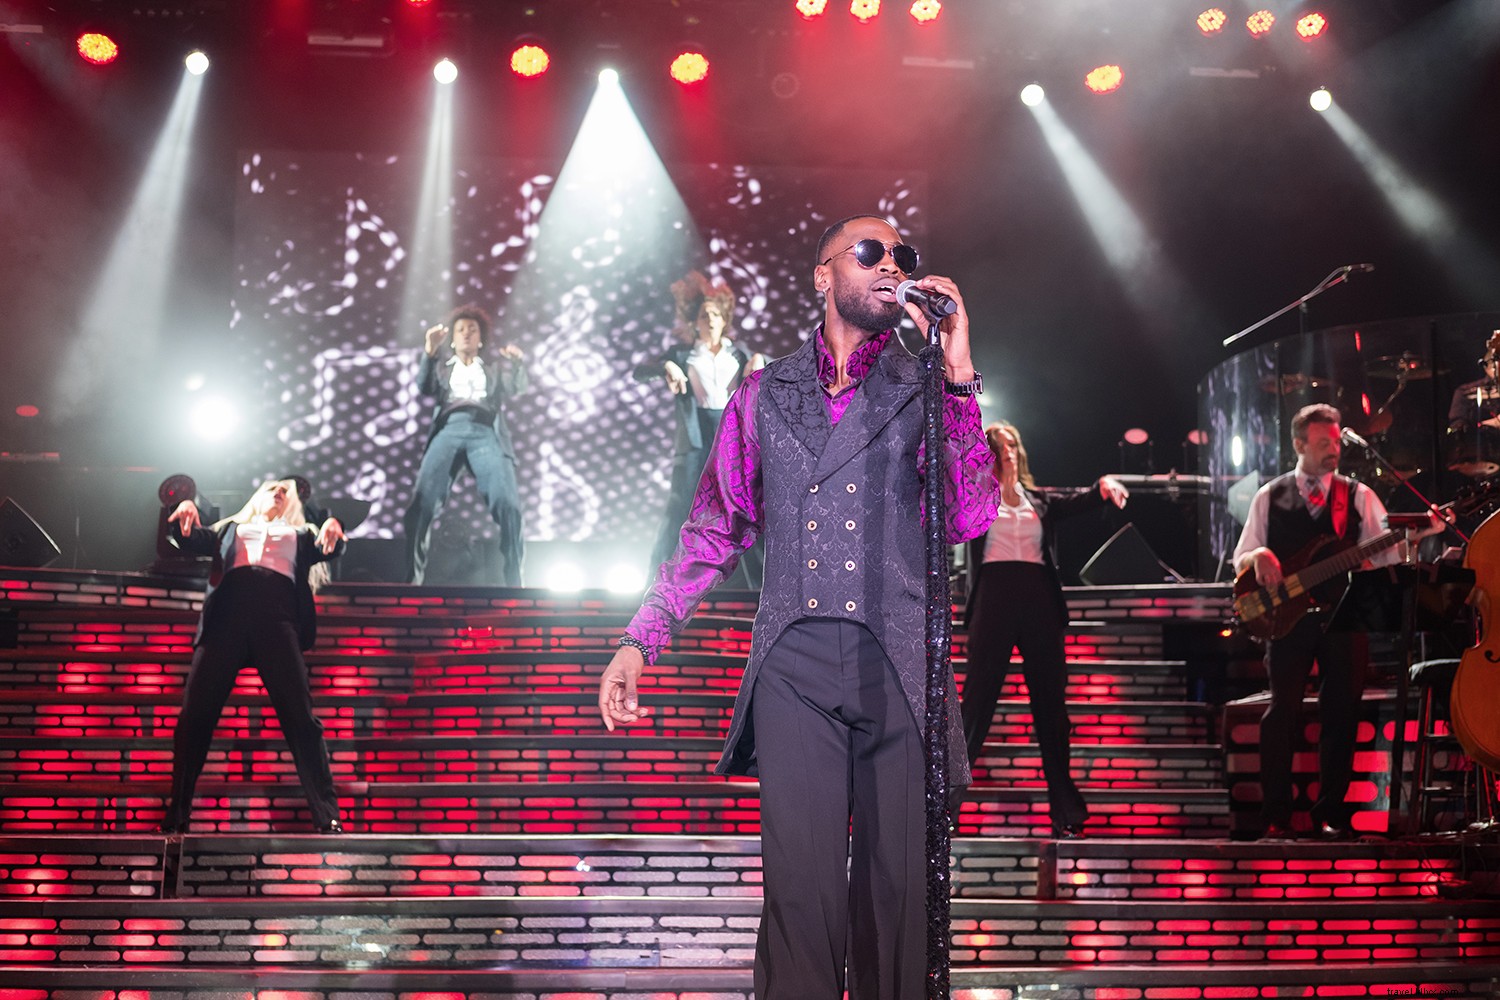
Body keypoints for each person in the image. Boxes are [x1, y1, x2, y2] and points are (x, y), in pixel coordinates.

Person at [598, 213, 998, 999]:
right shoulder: (762, 392)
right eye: (871, 253)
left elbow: (968, 517)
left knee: (899, 899)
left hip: (900, 665)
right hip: (795, 666)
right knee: (800, 895)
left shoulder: (923, 387)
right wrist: (642, 638)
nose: (892, 267)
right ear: (823, 276)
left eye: (904, 257)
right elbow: (714, 525)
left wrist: (956, 373)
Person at [1233, 403, 1433, 841]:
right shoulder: (1271, 494)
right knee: (1280, 712)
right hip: (1287, 618)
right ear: (1300, 444)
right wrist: (1260, 556)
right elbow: (1241, 555)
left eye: (1337, 441)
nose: (1334, 449)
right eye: (1324, 442)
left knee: (1341, 714)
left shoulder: (1357, 494)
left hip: (1347, 616)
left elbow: (1384, 550)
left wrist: (1414, 536)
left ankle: (1333, 815)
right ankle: (1275, 815)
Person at [958, 421, 1128, 838]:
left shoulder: (1040, 501)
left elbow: (1084, 498)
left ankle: (1065, 811)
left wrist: (1105, 482)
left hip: (1038, 601)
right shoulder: (975, 498)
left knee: (1052, 710)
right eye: (998, 447)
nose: (1007, 453)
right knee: (976, 706)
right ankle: (944, 807)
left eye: (1012, 445)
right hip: (994, 600)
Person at [159, 479, 347, 834]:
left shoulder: (302, 533)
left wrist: (334, 525)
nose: (280, 492)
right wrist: (182, 510)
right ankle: (177, 815)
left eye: (286, 491)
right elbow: (188, 539)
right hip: (227, 617)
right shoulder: (231, 528)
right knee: (194, 716)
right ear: (257, 496)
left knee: (301, 720)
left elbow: (330, 548)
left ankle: (328, 815)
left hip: (277, 619)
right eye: (274, 486)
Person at [633, 270, 766, 585]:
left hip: (733, 436)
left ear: (724, 320)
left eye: (715, 314)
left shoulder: (741, 353)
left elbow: (776, 370)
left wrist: (761, 359)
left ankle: (761, 589)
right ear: (694, 321)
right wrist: (666, 365)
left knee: (745, 511)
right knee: (680, 508)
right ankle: (655, 583)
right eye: (704, 315)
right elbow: (640, 371)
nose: (710, 319)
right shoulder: (682, 354)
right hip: (696, 436)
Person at [403, 304, 528, 586]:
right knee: (421, 505)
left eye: (472, 330)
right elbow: (424, 386)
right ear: (453, 339)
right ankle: (412, 580)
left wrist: (519, 364)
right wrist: (429, 352)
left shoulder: (493, 369)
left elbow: (517, 387)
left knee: (509, 506)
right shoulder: (443, 369)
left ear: (480, 338)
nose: (466, 334)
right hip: (449, 429)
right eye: (460, 330)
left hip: (485, 431)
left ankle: (515, 581)